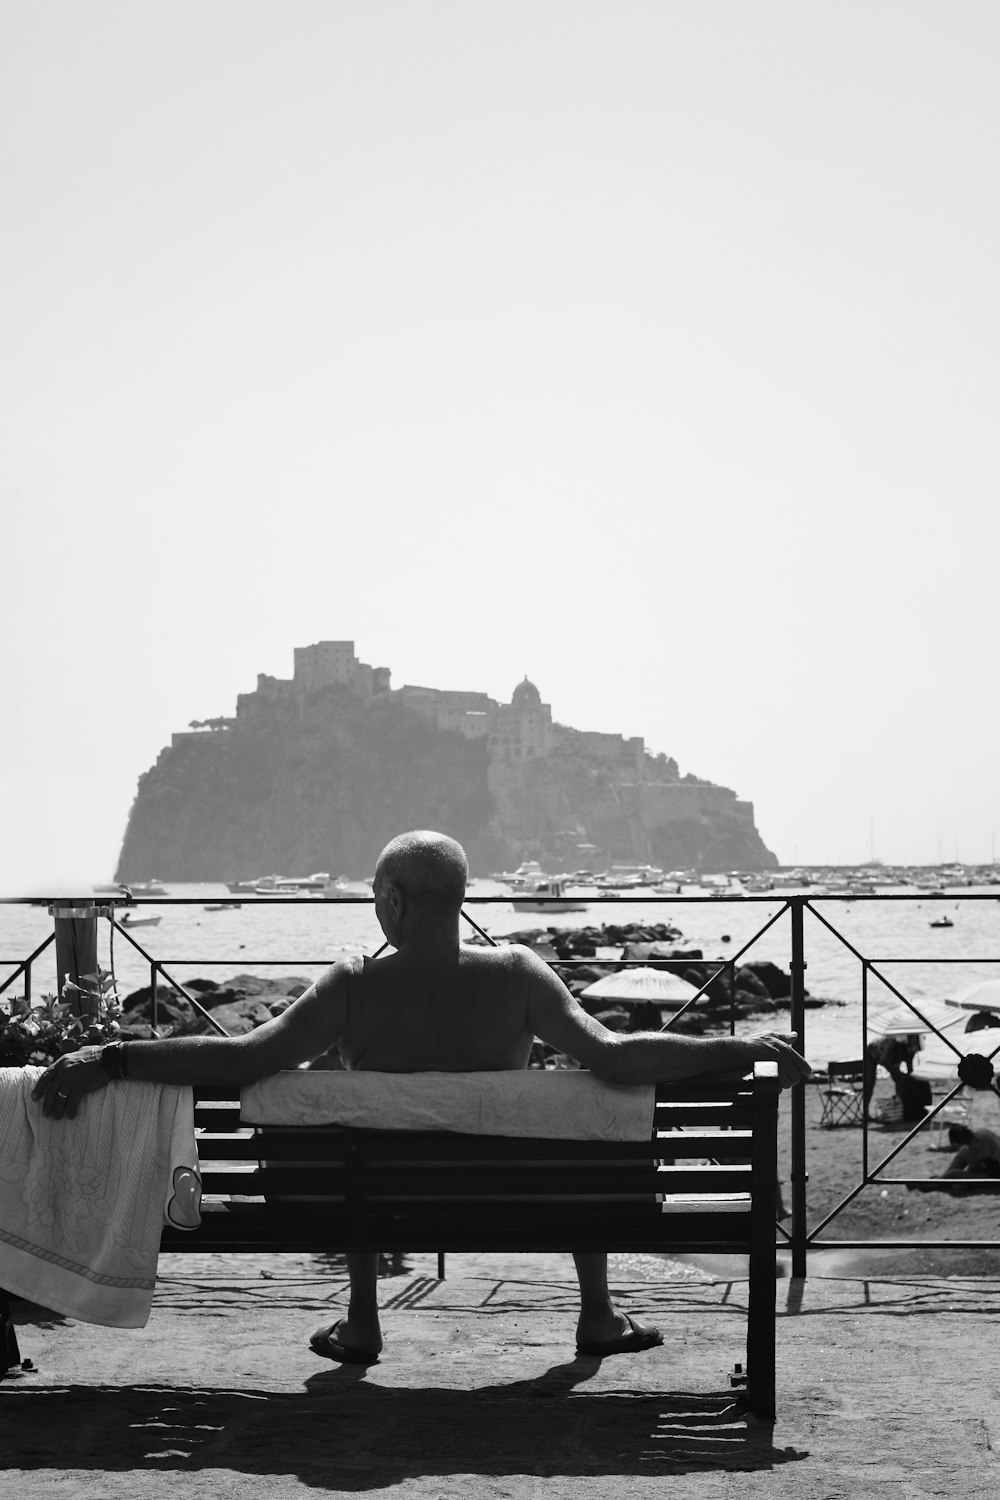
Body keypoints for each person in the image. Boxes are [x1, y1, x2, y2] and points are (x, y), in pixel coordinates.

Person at [34, 829, 811, 1366]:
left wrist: (114, 1056)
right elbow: (611, 1057)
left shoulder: (353, 985)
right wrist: (736, 1045)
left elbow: (244, 1059)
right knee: (571, 1119)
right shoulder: (518, 975)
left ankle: (365, 1321)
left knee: (353, 1122)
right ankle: (598, 1315)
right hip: (537, 1201)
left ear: (396, 903)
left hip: (373, 1203)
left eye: (377, 895)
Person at [863, 1032, 921, 1119]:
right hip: (873, 1052)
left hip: (890, 1056)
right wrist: (896, 1072)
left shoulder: (912, 1047)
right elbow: (884, 1061)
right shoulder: (895, 1044)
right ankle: (865, 1113)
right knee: (870, 1083)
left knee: (902, 1080)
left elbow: (910, 1068)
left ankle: (901, 1107)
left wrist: (910, 1080)